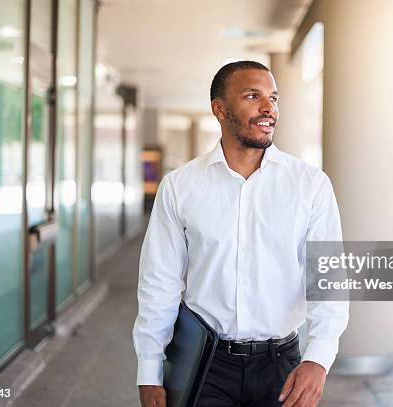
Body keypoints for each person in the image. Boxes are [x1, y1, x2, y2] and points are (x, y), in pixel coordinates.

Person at [133, 60, 349, 407]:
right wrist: (150, 368)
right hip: (205, 364)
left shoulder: (310, 185)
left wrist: (318, 359)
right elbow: (160, 282)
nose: (269, 108)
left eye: (273, 98)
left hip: (282, 367)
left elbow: (328, 279)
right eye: (253, 96)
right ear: (219, 109)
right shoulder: (180, 186)